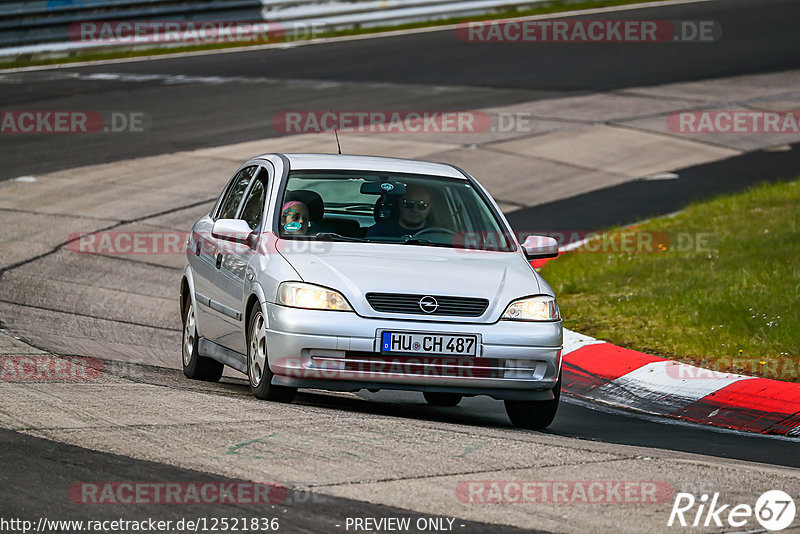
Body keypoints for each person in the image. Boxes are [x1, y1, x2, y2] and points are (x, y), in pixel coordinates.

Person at [367, 184, 433, 238]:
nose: (414, 209)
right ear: (399, 204)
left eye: (422, 205)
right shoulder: (377, 233)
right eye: (408, 204)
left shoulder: (437, 236)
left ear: (429, 207)